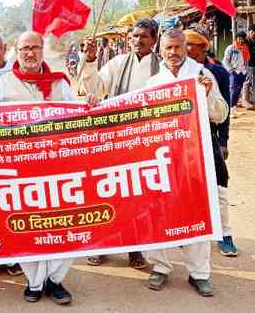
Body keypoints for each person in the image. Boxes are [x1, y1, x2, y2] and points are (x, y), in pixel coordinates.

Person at [0, 31, 88, 305]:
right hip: (22, 171)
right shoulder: (4, 84)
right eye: (25, 48)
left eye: (35, 48)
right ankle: (34, 282)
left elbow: (77, 116)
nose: (29, 53)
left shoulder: (59, 84)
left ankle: (56, 280)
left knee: (62, 224)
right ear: (16, 50)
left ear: (43, 50)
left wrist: (90, 105)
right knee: (27, 226)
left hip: (57, 170)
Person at [146, 28, 228, 297]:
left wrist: (205, 97)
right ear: (161, 50)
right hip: (165, 157)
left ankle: (199, 273)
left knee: (197, 211)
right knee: (160, 210)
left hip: (196, 156)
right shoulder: (154, 81)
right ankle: (160, 266)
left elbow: (221, 114)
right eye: (168, 48)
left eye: (178, 47)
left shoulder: (202, 76)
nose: (173, 53)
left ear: (186, 47)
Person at [78, 18, 160, 269]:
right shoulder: (117, 63)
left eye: (144, 36)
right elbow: (94, 88)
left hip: (147, 141)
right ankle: (103, 245)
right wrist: (90, 60)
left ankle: (135, 248)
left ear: (154, 40)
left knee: (138, 197)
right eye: (134, 37)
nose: (138, 41)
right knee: (109, 193)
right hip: (115, 140)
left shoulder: (163, 67)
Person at [184, 27, 238, 257]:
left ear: (202, 47)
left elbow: (224, 110)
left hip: (208, 134)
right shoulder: (177, 71)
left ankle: (225, 234)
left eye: (189, 45)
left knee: (219, 187)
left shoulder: (217, 72)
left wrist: (223, 141)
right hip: (183, 138)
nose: (185, 50)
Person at [223, 31, 249, 117]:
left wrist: (246, 70)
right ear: (236, 38)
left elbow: (247, 60)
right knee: (233, 91)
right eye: (240, 38)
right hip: (234, 72)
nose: (241, 40)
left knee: (238, 91)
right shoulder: (231, 48)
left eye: (243, 39)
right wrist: (230, 71)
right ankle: (230, 110)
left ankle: (234, 109)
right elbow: (225, 60)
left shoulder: (245, 48)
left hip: (243, 72)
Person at [242, 24, 255, 108]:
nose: (254, 33)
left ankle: (254, 100)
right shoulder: (245, 41)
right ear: (249, 32)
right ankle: (245, 101)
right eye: (252, 31)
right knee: (247, 82)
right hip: (248, 64)